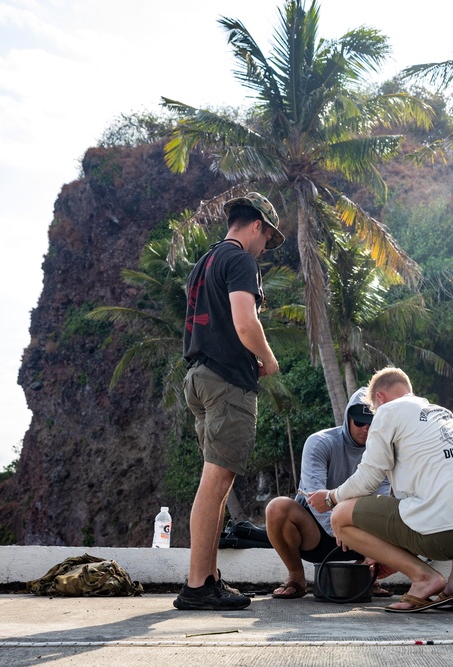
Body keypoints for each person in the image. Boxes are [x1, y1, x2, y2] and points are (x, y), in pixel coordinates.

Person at [313, 367, 453, 612]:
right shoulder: (443, 414)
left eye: (372, 410)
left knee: (340, 517)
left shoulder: (388, 411)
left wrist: (331, 497)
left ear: (379, 398)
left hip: (444, 535)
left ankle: (424, 577)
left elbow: (368, 480)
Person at [173, 192, 285, 611]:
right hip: (225, 381)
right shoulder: (240, 259)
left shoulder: (204, 263)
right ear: (256, 224)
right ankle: (199, 585)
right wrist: (268, 358)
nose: (264, 247)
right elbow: (244, 320)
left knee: (214, 485)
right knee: (215, 484)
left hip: (199, 377)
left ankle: (208, 578)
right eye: (267, 237)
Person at [265, 389, 391, 599]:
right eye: (359, 421)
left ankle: (367, 575)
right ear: (348, 417)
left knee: (395, 511)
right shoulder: (320, 442)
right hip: (316, 532)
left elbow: (379, 503)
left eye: (372, 422)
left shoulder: (384, 452)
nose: (366, 428)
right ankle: (296, 577)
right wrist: (339, 531)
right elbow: (314, 498)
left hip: (360, 534)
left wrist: (360, 539)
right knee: (277, 508)